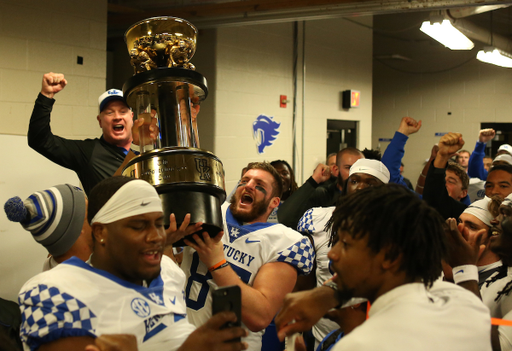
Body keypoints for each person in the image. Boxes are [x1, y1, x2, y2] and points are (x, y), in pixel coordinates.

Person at [18, 176, 247, 351]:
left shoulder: (167, 271)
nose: (157, 236)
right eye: (139, 226)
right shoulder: (53, 291)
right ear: (100, 232)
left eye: (159, 223)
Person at [276, 185, 492, 351]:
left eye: (346, 244)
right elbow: (466, 293)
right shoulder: (466, 306)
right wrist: (329, 294)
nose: (332, 254)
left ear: (390, 255)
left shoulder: (360, 345)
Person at [181, 162, 314, 351]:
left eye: (259, 185)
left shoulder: (285, 242)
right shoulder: (208, 210)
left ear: (274, 202)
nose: (249, 185)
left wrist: (217, 263)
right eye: (244, 181)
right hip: (180, 339)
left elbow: (260, 316)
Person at [296, 159, 390, 349]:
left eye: (370, 183)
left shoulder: (394, 228)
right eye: (355, 181)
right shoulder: (319, 219)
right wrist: (297, 327)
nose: (360, 187)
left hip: (375, 337)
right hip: (323, 335)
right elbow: (305, 279)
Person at [27, 72, 157, 195]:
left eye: (123, 111)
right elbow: (39, 140)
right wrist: (46, 96)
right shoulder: (87, 152)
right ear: (100, 121)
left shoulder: (150, 147)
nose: (117, 117)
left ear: (132, 116)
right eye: (109, 112)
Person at [4, 184, 92, 270]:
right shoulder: (86, 279)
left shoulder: (53, 264)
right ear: (76, 231)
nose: (96, 215)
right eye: (90, 211)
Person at [278, 148, 364, 229]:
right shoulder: (322, 195)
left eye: (361, 168)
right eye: (349, 168)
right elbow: (284, 219)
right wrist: (314, 180)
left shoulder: (370, 196)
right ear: (336, 169)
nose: (356, 173)